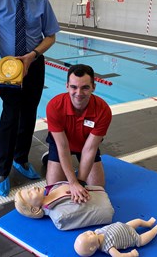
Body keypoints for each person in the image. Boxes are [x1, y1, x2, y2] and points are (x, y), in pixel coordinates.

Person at [0, 0, 60, 196]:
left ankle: (21, 159)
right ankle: (2, 170)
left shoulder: (41, 1)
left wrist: (32, 55)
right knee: (9, 117)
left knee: (29, 115)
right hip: (8, 68)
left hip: (34, 65)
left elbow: (51, 36)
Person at [45, 64, 112, 204]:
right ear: (67, 86)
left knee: (97, 188)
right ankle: (51, 157)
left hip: (86, 145)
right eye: (74, 87)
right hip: (62, 145)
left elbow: (90, 148)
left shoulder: (103, 110)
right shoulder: (54, 106)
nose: (79, 93)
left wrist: (79, 183)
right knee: (54, 190)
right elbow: (63, 147)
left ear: (93, 87)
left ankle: (69, 164)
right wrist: (72, 182)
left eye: (85, 87)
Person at [14, 182, 114, 231]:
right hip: (105, 206)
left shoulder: (52, 189)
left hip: (99, 192)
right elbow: (89, 212)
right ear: (35, 209)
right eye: (30, 194)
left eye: (29, 188)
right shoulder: (60, 216)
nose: (33, 188)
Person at [74, 217, 157, 256]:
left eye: (85, 233)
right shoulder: (107, 247)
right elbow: (119, 256)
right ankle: (155, 230)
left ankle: (148, 223)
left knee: (138, 221)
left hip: (126, 226)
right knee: (141, 240)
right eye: (88, 236)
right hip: (131, 238)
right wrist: (131, 254)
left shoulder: (97, 231)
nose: (88, 233)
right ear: (92, 248)